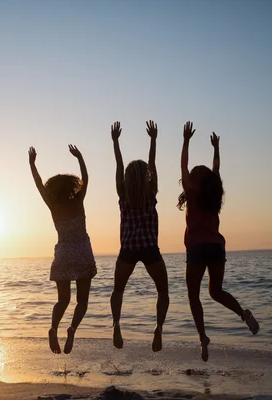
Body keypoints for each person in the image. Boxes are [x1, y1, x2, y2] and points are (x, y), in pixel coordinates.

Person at [178, 121, 260, 362]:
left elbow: (182, 165)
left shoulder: (191, 193)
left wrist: (186, 140)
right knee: (216, 291)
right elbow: (216, 170)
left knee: (194, 295)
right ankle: (243, 313)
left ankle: (203, 337)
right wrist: (215, 148)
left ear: (194, 180)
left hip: (196, 247)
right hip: (216, 246)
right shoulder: (214, 196)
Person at [28, 145, 97, 354]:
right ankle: (72, 330)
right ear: (71, 187)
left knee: (63, 300)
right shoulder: (78, 201)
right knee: (82, 301)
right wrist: (80, 157)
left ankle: (53, 328)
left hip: (64, 254)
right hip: (83, 253)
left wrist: (32, 163)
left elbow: (39, 184)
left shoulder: (53, 206)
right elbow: (86, 178)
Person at [110, 120, 169, 352]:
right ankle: (159, 328)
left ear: (127, 178)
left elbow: (118, 163)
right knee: (162, 291)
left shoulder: (122, 192)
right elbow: (152, 164)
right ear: (146, 177)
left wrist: (115, 141)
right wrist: (153, 139)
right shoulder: (150, 192)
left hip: (127, 250)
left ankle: (116, 324)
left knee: (118, 290)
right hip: (150, 248)